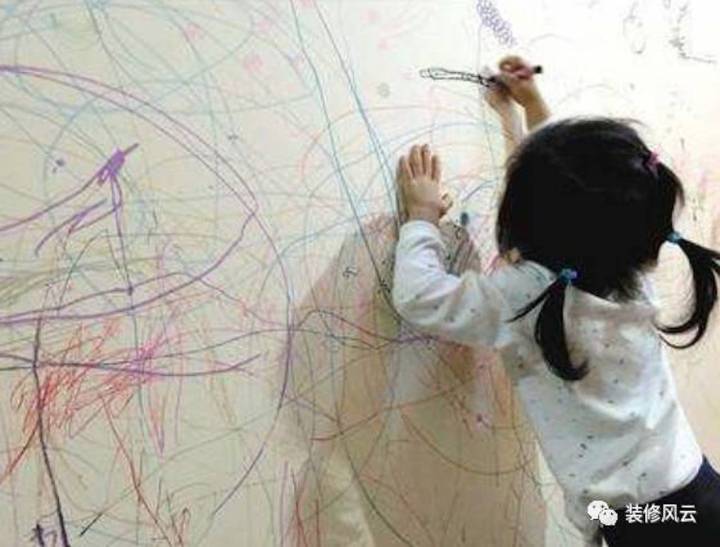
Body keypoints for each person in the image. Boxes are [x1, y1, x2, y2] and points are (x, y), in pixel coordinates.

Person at [391, 54, 720, 546]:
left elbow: (419, 297)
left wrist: (420, 219)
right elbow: (580, 194)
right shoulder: (629, 267)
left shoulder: (524, 295)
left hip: (641, 526)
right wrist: (531, 108)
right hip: (699, 492)